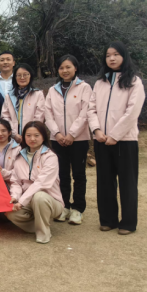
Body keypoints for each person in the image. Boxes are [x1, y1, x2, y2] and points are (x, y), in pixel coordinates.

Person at [87, 41, 145, 235]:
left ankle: (128, 223)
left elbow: (132, 112)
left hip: (125, 141)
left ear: (124, 56)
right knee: (104, 181)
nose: (111, 58)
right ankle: (108, 219)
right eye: (108, 55)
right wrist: (96, 130)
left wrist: (115, 135)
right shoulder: (100, 82)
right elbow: (91, 109)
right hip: (102, 140)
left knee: (127, 182)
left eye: (116, 54)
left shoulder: (134, 81)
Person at [45, 55, 92, 225]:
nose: (65, 71)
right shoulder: (52, 90)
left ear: (75, 68)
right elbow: (47, 113)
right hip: (57, 139)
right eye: (61, 68)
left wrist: (72, 134)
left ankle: (78, 208)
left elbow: (85, 113)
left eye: (68, 67)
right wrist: (57, 133)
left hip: (79, 139)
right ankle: (64, 206)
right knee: (61, 174)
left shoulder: (84, 87)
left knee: (78, 174)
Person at [6, 121, 64, 244]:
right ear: (24, 137)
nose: (32, 139)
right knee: (9, 212)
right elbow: (16, 182)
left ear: (43, 137)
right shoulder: (19, 156)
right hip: (28, 201)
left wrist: (22, 201)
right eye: (28, 135)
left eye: (36, 135)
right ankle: (38, 224)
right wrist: (15, 197)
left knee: (39, 196)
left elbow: (41, 183)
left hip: (50, 200)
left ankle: (43, 233)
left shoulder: (50, 157)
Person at [1, 63, 45, 143]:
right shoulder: (9, 96)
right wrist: (14, 134)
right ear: (15, 77)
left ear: (30, 76)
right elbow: (5, 117)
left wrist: (28, 134)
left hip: (32, 138)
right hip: (13, 138)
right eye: (19, 75)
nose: (22, 78)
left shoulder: (38, 94)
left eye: (25, 75)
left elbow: (39, 117)